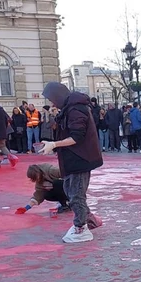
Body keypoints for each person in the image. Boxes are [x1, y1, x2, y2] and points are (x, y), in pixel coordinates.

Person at [41, 82, 104, 244]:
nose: (52, 104)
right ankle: (89, 219)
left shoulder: (76, 110)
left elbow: (77, 137)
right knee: (70, 191)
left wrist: (54, 144)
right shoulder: (69, 109)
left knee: (76, 195)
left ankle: (81, 227)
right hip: (73, 158)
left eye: (52, 99)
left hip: (80, 158)